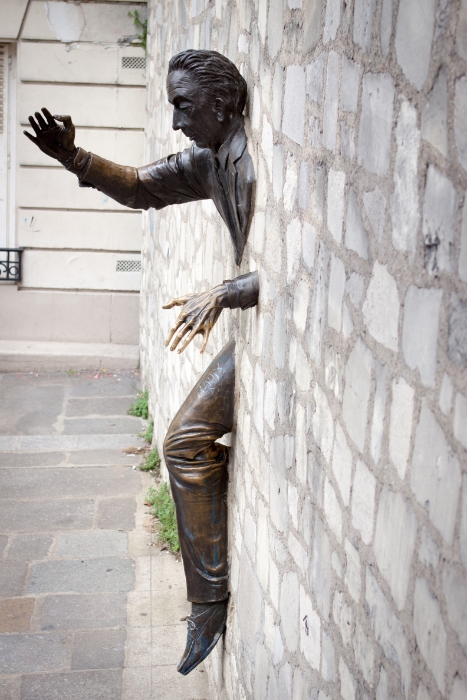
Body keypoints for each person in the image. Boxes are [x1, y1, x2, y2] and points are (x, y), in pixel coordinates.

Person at [24, 49, 259, 674]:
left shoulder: (263, 168)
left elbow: (304, 272)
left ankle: (208, 605)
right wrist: (73, 157)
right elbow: (138, 187)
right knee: (181, 440)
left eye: (184, 106)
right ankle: (206, 599)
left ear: (223, 101)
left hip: (267, 326)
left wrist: (227, 290)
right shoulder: (211, 163)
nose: (177, 121)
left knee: (182, 440)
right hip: (255, 331)